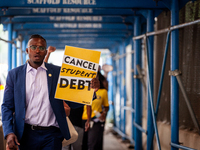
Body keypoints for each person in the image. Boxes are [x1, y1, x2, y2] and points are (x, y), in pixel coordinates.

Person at [1, 34, 100, 150]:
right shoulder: (14, 75)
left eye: (42, 48)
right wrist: (9, 132)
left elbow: (72, 102)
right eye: (33, 47)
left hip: (52, 136)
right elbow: (7, 106)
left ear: (46, 51)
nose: (37, 50)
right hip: (25, 134)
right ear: (27, 50)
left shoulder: (58, 73)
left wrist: (91, 92)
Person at [82, 70, 109, 150]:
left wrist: (103, 114)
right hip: (83, 119)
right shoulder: (84, 89)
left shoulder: (103, 91)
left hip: (95, 121)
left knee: (92, 144)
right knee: (83, 145)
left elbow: (107, 107)